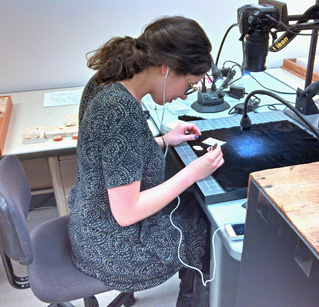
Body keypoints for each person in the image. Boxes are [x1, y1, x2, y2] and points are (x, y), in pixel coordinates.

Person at [68, 16, 224, 307]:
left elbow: (113, 154)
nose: (182, 96)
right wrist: (193, 172)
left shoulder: (108, 80)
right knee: (204, 222)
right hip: (112, 248)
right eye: (188, 85)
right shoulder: (119, 112)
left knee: (188, 204)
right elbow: (127, 213)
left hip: (88, 222)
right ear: (166, 69)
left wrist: (166, 140)